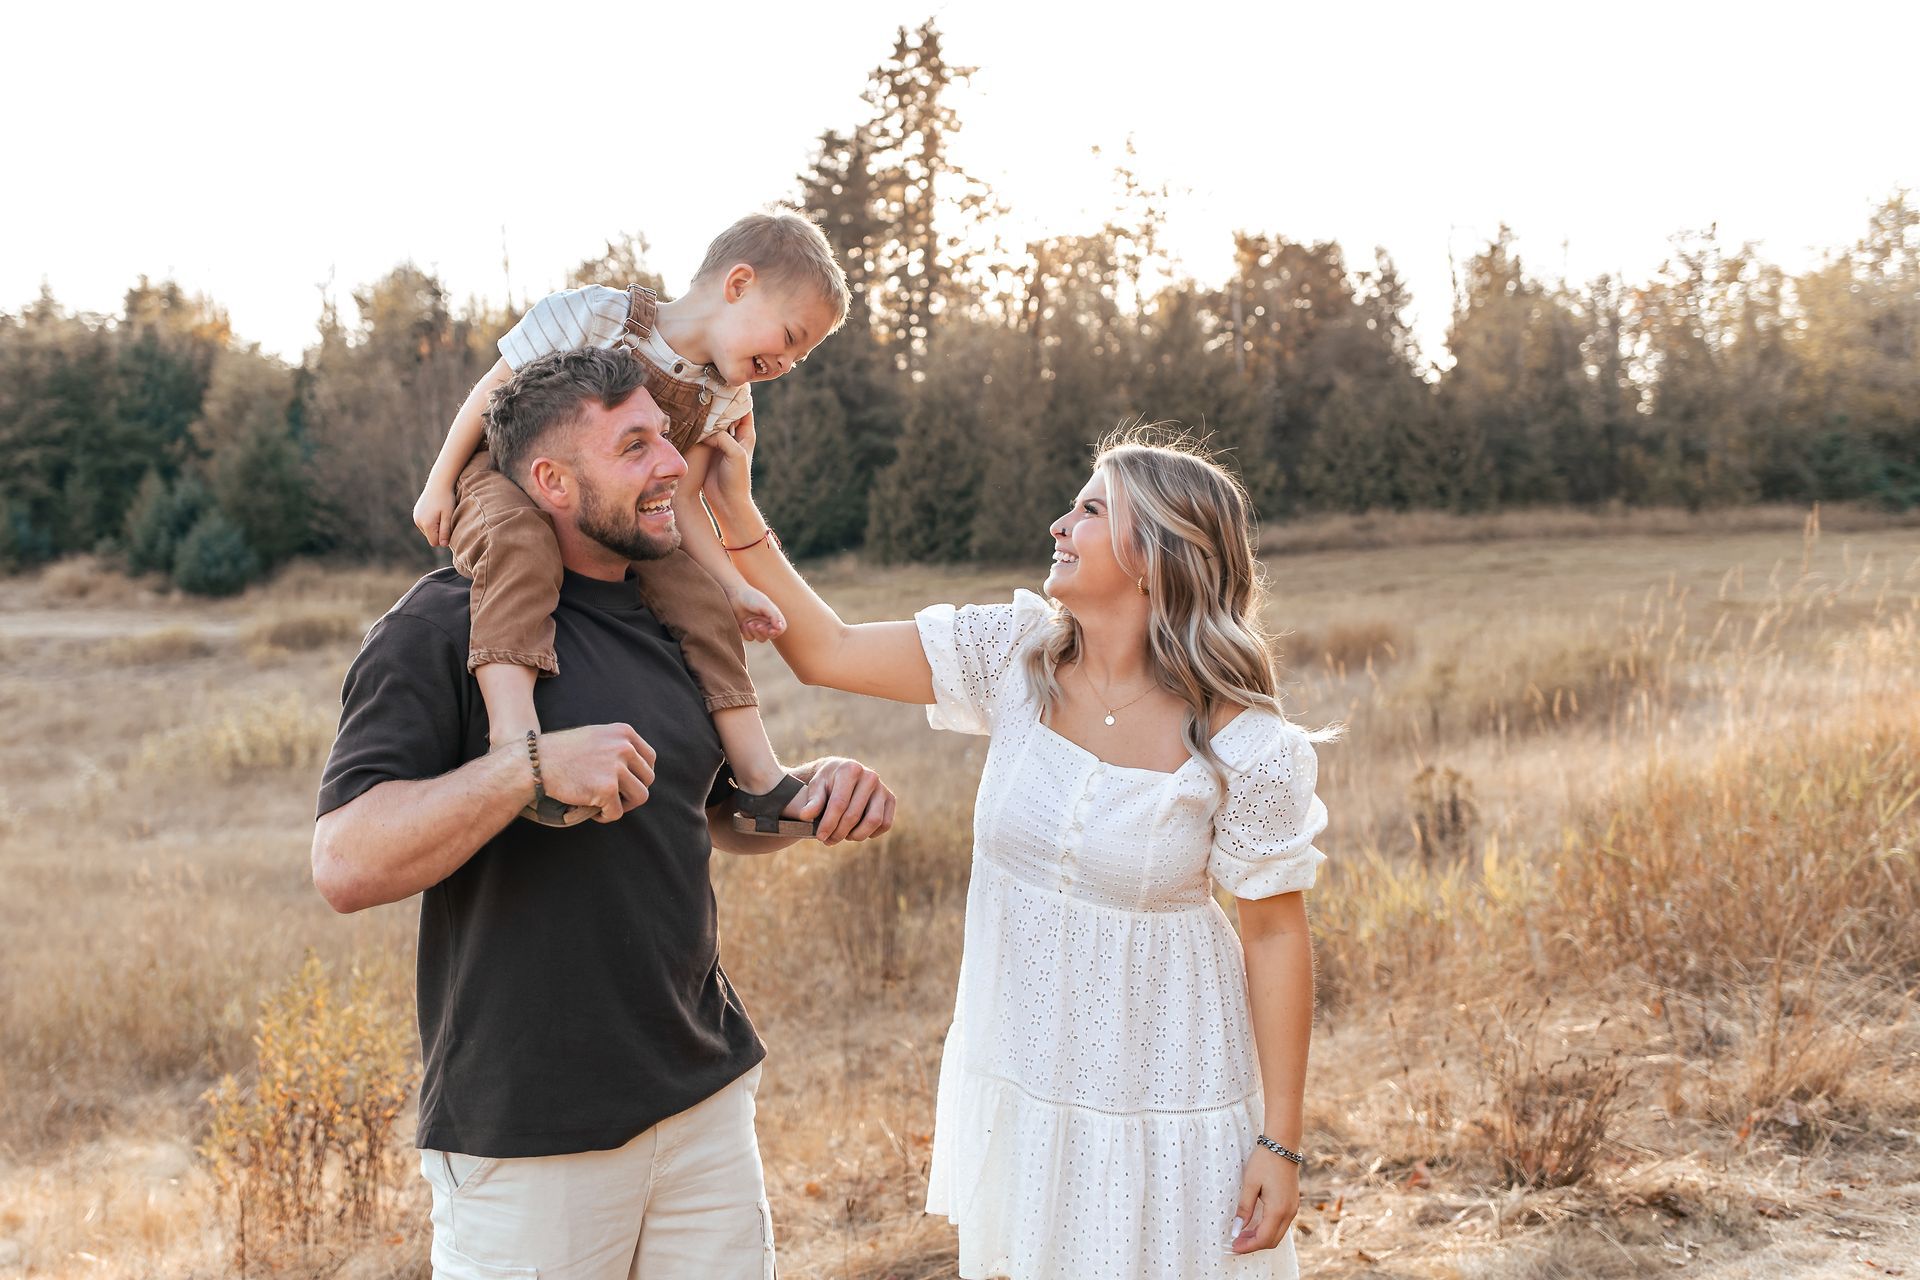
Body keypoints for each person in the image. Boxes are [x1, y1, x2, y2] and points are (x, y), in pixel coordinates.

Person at [313, 346, 897, 1280]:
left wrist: (809, 798)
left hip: (704, 1102)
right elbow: (343, 864)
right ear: (549, 480)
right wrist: (526, 770)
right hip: (528, 1137)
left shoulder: (670, 615)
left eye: (666, 438)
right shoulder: (439, 629)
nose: (672, 464)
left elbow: (712, 818)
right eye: (635, 446)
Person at [703, 421, 1332, 1279]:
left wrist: (1281, 1143)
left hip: (1170, 1086)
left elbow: (1274, 936)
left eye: (1089, 510)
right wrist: (734, 502)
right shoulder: (1012, 653)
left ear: (1155, 553)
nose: (1058, 528)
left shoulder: (1249, 746)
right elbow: (826, 650)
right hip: (1027, 1067)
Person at [412, 212, 848, 832]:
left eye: (802, 354)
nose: (789, 362)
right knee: (519, 542)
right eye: (790, 335)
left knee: (698, 599)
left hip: (625, 511)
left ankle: (757, 776)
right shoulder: (599, 316)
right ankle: (515, 741)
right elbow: (493, 390)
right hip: (504, 473)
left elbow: (682, 501)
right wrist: (439, 482)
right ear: (739, 284)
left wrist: (732, 586)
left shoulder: (727, 395)